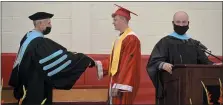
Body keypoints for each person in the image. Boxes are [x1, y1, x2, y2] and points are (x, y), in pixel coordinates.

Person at [8, 12, 95, 105]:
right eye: (49, 23)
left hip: (26, 83)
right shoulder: (39, 42)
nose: (50, 26)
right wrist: (83, 59)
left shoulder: (28, 36)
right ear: (40, 23)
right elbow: (59, 56)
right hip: (36, 85)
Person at [146, 11, 221, 104]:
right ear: (173, 23)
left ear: (188, 23)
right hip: (173, 89)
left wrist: (214, 65)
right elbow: (153, 62)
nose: (181, 25)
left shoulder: (194, 44)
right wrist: (162, 64)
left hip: (194, 89)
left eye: (184, 22)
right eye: (178, 22)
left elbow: (205, 62)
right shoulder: (165, 42)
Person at [93, 4, 141, 105]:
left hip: (123, 85)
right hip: (115, 81)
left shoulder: (131, 39)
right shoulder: (120, 38)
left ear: (123, 19)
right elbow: (114, 60)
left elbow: (129, 64)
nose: (113, 23)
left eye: (115, 20)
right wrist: (97, 63)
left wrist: (120, 85)